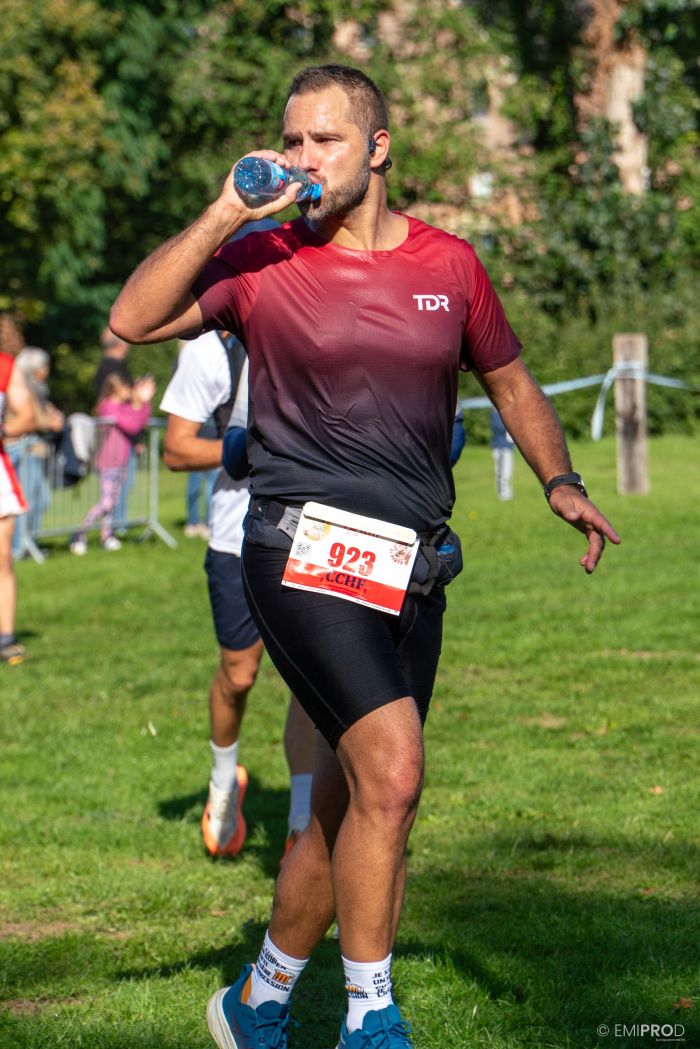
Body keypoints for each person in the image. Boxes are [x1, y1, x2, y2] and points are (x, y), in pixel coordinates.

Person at [110, 63, 620, 1049]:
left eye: (324, 141)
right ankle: (370, 1015)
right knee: (392, 771)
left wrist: (561, 480)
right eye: (289, 140)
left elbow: (510, 380)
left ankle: (257, 1001)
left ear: (377, 149)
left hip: (415, 561)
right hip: (298, 546)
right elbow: (131, 320)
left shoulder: (450, 266)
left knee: (351, 796)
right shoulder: (260, 259)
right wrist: (224, 210)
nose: (301, 159)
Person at [160, 312, 316, 863]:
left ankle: (302, 817)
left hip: (316, 533)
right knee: (239, 674)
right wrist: (245, 447)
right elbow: (176, 448)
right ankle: (224, 783)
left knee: (312, 678)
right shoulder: (211, 351)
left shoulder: (316, 328)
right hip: (237, 537)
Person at [70, 373, 155, 555]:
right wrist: (141, 403)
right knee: (106, 501)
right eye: (126, 387)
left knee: (113, 502)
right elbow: (132, 425)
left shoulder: (123, 408)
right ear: (116, 389)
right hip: (108, 461)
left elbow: (139, 422)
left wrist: (143, 403)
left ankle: (106, 535)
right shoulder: (108, 407)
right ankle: (80, 532)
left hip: (120, 460)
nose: (129, 391)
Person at [7, 347, 65, 556]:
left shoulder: (38, 387)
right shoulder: (26, 386)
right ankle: (19, 546)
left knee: (39, 499)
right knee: (28, 500)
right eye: (44, 366)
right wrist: (49, 421)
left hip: (31, 449)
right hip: (24, 449)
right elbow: (32, 417)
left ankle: (26, 542)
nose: (47, 370)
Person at [0, 350, 36, 664]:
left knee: (2, 557)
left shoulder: (4, 366)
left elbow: (27, 415)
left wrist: (4, 430)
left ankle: (6, 637)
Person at [94, 327, 141, 533]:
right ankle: (110, 527)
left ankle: (111, 529)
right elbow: (129, 419)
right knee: (113, 493)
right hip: (117, 446)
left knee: (116, 490)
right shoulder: (115, 371)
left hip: (119, 443)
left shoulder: (104, 368)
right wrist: (141, 402)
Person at [490, 407, 515, 501]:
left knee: (505, 473)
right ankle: (504, 495)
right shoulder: (496, 415)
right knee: (503, 473)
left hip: (505, 447)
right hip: (502, 448)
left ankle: (506, 494)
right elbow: (500, 427)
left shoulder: (497, 414)